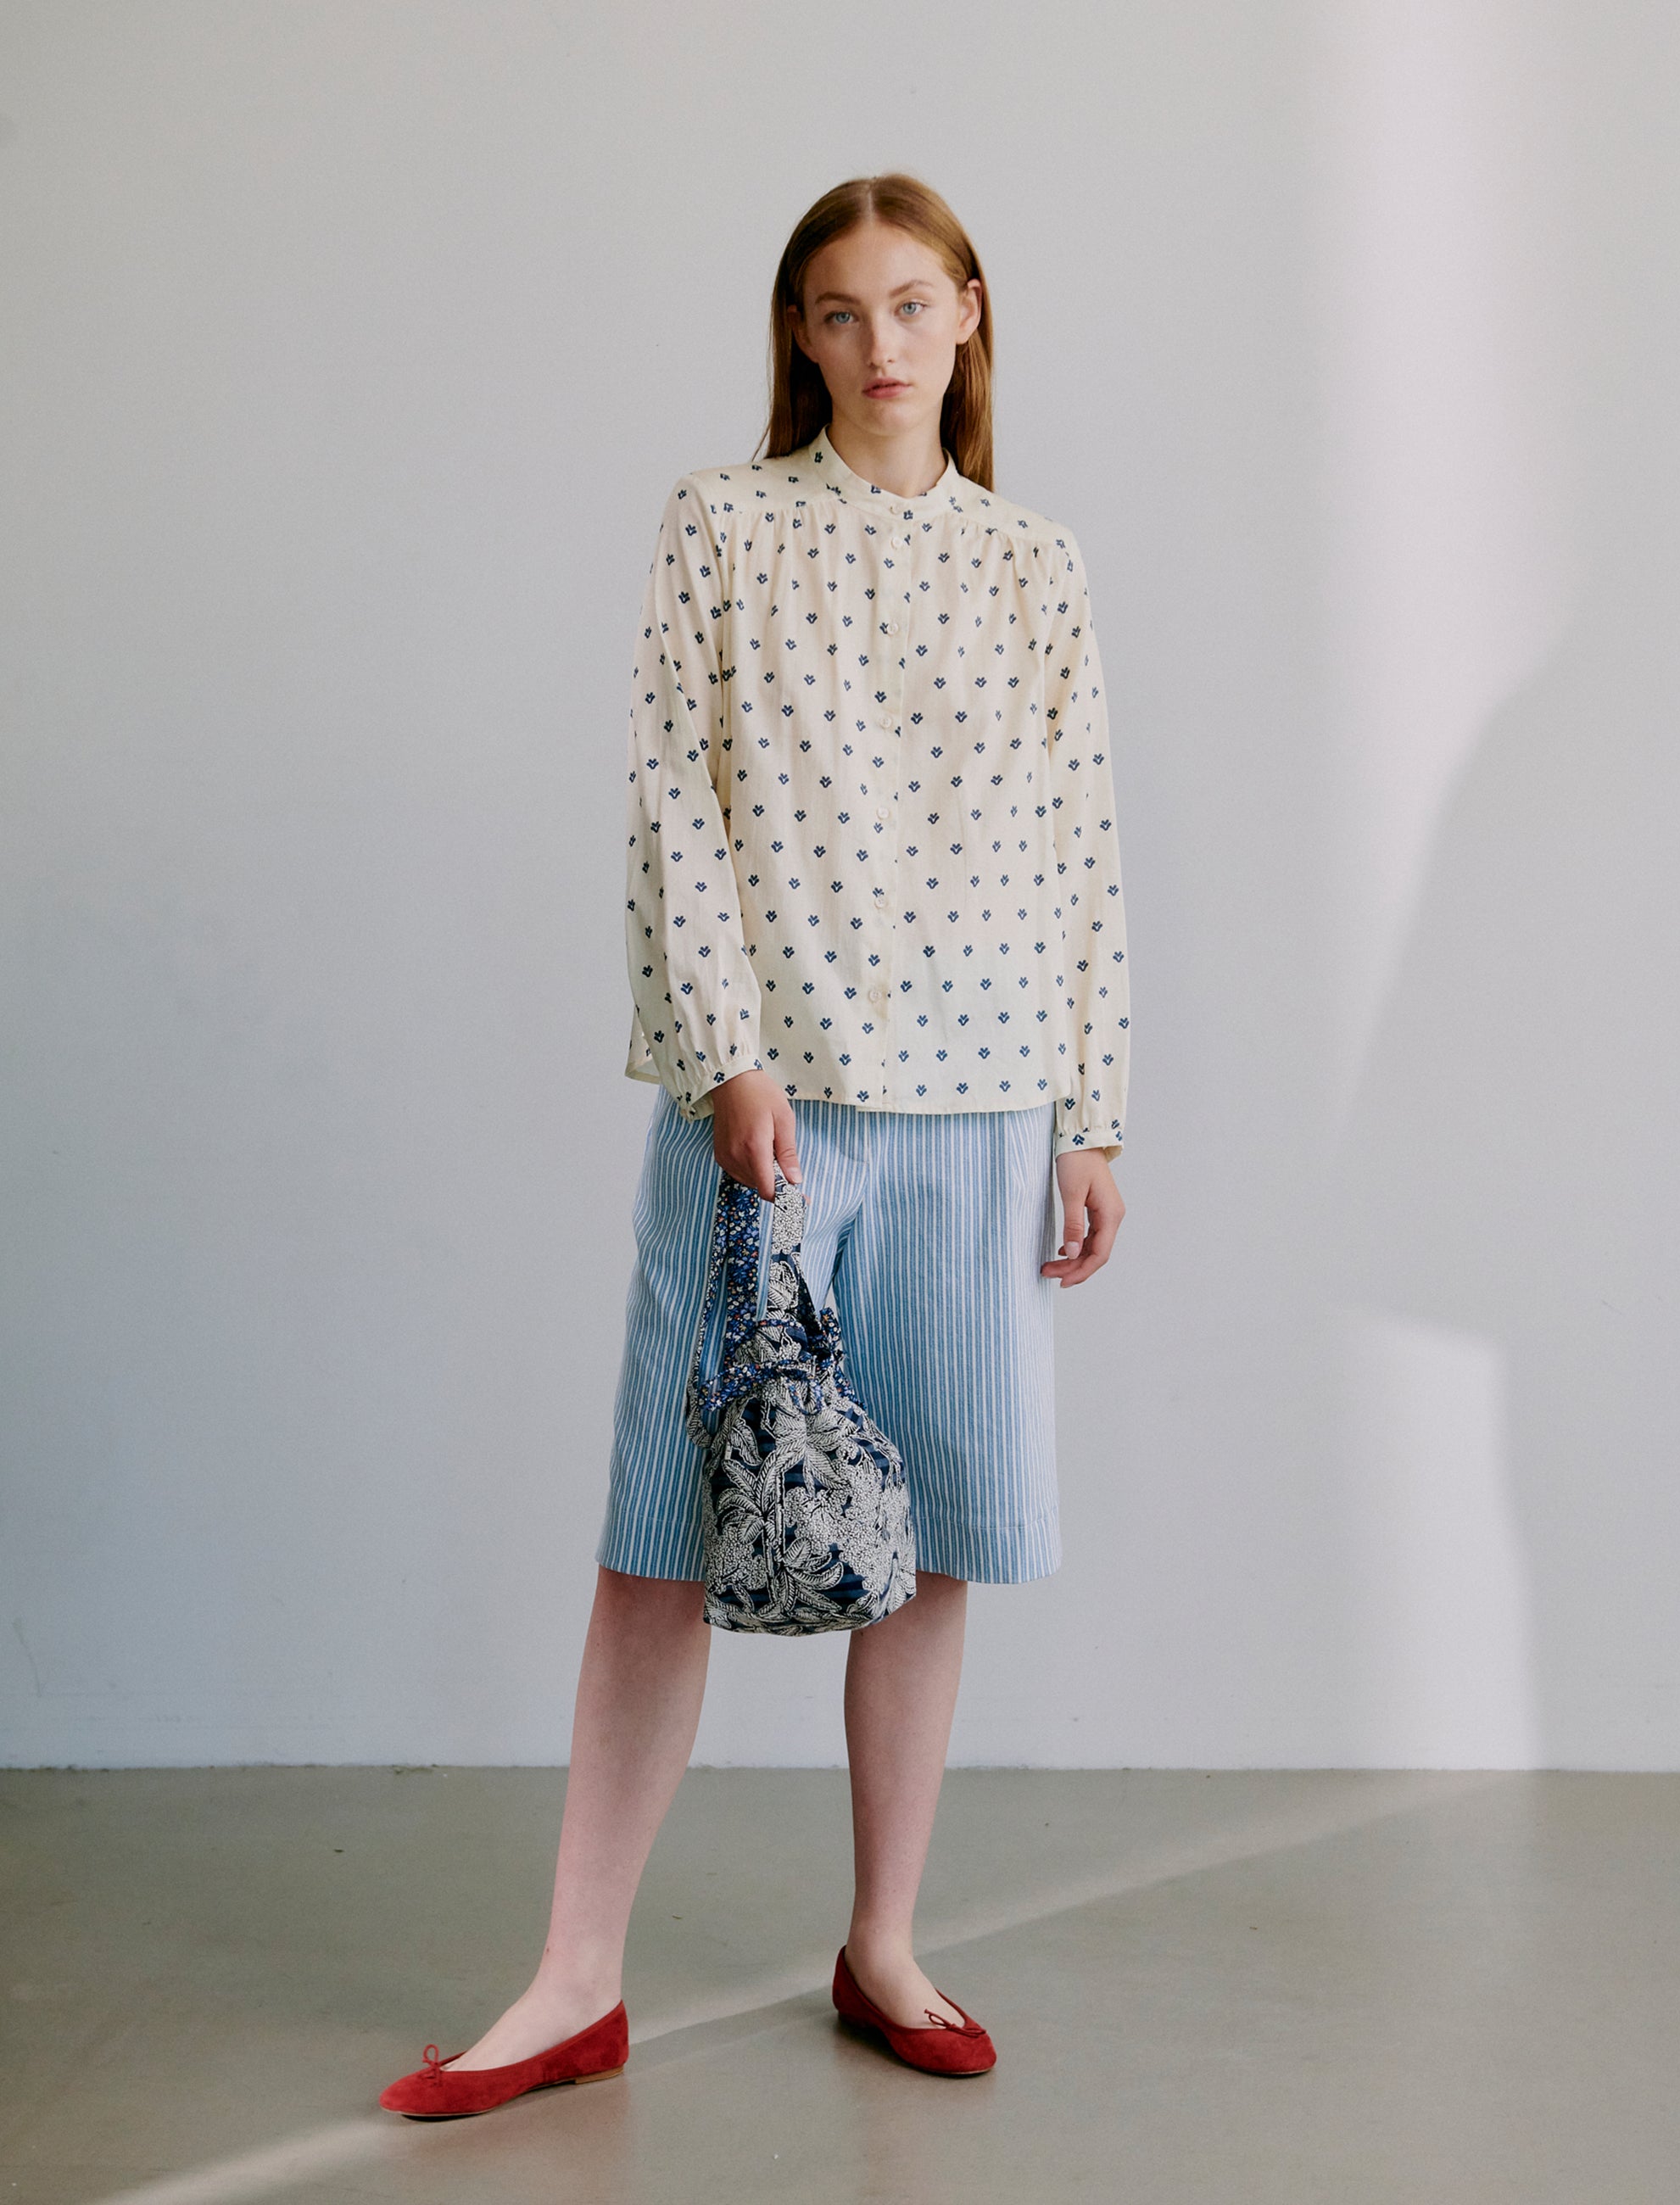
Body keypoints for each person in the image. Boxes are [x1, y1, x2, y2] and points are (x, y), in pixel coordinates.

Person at [379, 170, 1129, 2118]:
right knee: (660, 1536)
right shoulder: (721, 527)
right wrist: (724, 1057)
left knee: (936, 1536)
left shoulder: (1037, 562)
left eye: (907, 304)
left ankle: (883, 1939)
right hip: (769, 1116)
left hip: (979, 1107)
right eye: (832, 310)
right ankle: (574, 1978)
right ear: (797, 337)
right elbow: (669, 801)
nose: (875, 345)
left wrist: (1092, 1114)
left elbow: (1085, 851)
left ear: (967, 314)